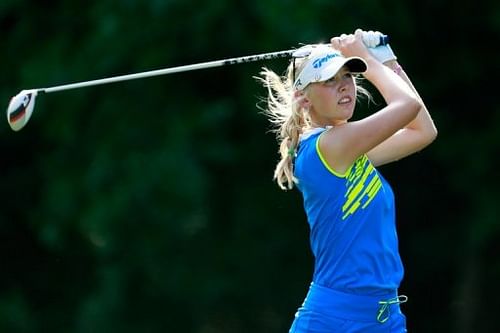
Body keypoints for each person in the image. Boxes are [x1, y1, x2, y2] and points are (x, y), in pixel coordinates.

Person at [257, 29, 437, 332]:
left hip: (384, 317)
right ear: (303, 97)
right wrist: (368, 57)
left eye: (348, 77)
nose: (344, 88)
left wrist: (387, 60)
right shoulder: (329, 147)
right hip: (333, 320)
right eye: (329, 81)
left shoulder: (349, 149)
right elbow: (407, 107)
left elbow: (423, 131)